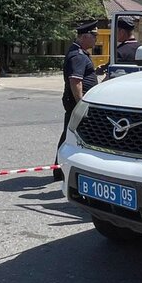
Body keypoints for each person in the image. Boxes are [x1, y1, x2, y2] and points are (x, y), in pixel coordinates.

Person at [53, 20, 99, 181]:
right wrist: (81, 104)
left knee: (70, 134)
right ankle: (60, 170)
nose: (96, 39)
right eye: (94, 36)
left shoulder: (79, 53)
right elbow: (75, 81)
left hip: (75, 100)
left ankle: (60, 170)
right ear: (84, 37)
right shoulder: (78, 55)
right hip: (76, 102)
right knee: (70, 135)